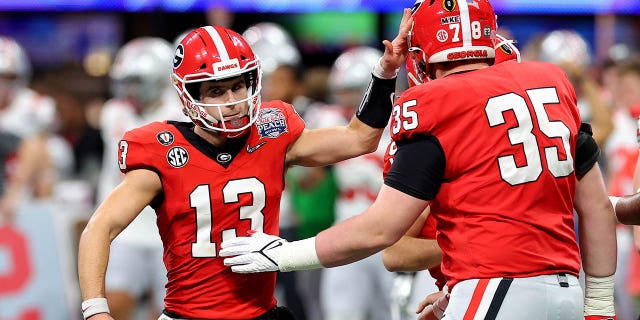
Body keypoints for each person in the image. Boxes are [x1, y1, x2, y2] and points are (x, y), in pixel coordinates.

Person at [220, 1, 618, 319]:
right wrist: (599, 305)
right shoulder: (552, 83)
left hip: (493, 288)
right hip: (568, 289)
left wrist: (281, 255)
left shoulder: (432, 103)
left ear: (424, 53)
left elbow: (379, 232)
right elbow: (596, 207)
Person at [78, 13, 413, 320]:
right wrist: (96, 311)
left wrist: (383, 74)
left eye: (238, 85)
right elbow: (99, 228)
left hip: (260, 313)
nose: (233, 101)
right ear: (188, 96)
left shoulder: (273, 132)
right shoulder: (162, 151)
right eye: (216, 91)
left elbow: (358, 139)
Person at [95, 37, 188, 320]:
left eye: (137, 81)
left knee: (168, 311)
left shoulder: (181, 113)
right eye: (127, 81)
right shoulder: (114, 112)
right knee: (114, 303)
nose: (131, 90)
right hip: (127, 226)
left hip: (171, 229)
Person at [318, 46, 395, 320]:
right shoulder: (330, 120)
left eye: (353, 91)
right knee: (341, 312)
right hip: (346, 230)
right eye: (343, 92)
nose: (347, 101)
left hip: (391, 234)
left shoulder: (400, 121)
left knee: (394, 312)